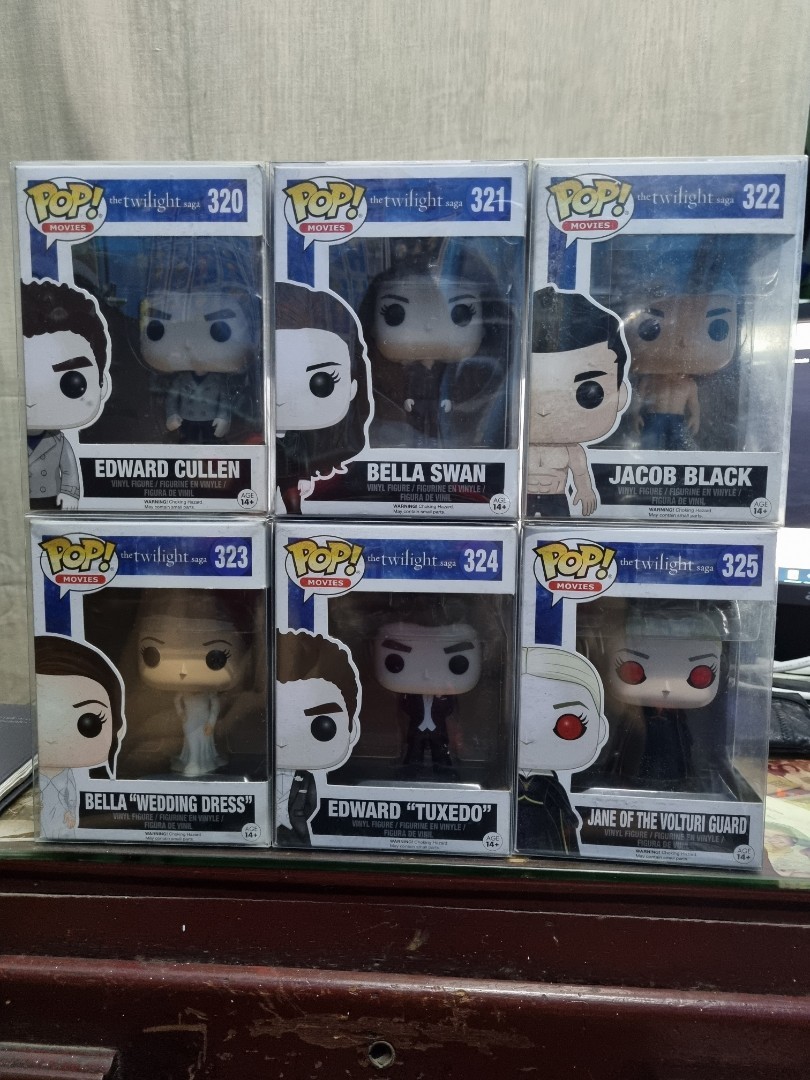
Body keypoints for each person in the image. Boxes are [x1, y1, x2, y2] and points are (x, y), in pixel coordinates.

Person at [527, 286, 629, 517]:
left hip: (556, 500)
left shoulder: (571, 451)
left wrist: (586, 491)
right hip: (521, 501)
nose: (544, 409)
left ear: (620, 395)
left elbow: (581, 475)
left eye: (589, 393)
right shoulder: (516, 445)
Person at [275, 282, 371, 513]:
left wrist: (306, 476)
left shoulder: (307, 437)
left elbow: (305, 455)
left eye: (322, 382)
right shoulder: (256, 433)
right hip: (259, 481)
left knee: (293, 507)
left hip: (292, 476)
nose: (285, 396)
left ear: (352, 388)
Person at [136, 592, 251, 777]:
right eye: (152, 655)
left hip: (203, 719)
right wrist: (181, 714)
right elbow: (177, 701)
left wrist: (211, 722)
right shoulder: (184, 693)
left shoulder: (209, 693)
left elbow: (215, 706)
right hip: (189, 720)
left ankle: (202, 760)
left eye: (216, 658)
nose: (183, 671)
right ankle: (193, 761)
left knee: (205, 740)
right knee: (190, 738)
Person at [22, 279, 111, 509]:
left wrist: (70, 492)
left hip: (51, 497)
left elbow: (69, 468)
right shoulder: (10, 439)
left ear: (102, 385)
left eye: (71, 383)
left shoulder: (58, 441)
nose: (31, 400)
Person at [517, 646, 608, 855]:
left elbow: (562, 808)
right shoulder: (507, 781)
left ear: (600, 730)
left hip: (548, 837)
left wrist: (570, 818)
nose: (527, 737)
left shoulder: (550, 785)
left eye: (569, 725)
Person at [35, 635, 126, 839]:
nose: (55, 737)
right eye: (39, 716)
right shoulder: (30, 775)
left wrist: (71, 813)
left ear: (117, 728)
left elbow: (72, 796)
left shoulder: (67, 775)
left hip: (62, 820)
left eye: (89, 723)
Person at [275, 630, 361, 846]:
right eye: (276, 722)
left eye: (322, 727)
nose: (284, 740)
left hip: (300, 829)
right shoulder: (265, 772)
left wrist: (304, 819)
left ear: (352, 731)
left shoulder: (309, 779)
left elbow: (313, 803)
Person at [373, 610, 482, 778]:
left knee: (440, 750)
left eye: (457, 663)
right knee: (414, 749)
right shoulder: (411, 694)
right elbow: (404, 707)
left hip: (437, 727)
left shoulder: (445, 695)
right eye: (396, 661)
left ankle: (444, 769)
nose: (426, 674)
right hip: (417, 727)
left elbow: (450, 708)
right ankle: (410, 769)